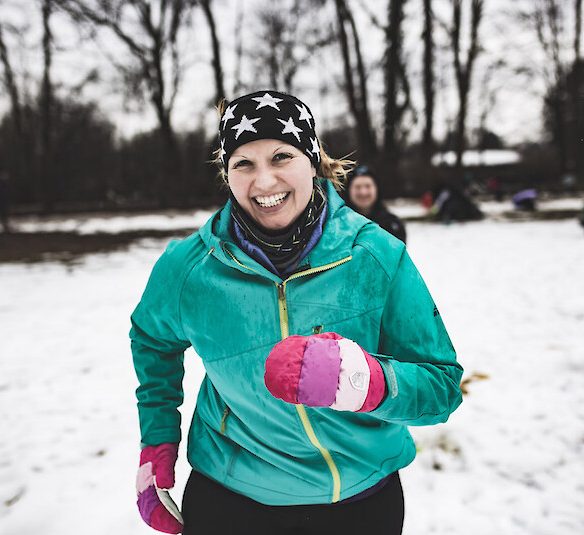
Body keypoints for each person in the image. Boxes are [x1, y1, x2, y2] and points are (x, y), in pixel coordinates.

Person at [130, 90, 463, 535]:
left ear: (312, 159)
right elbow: (153, 339)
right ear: (226, 174)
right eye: (243, 164)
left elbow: (442, 387)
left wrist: (364, 382)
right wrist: (157, 440)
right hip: (231, 500)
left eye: (281, 157)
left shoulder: (376, 256)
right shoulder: (189, 269)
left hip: (359, 502)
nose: (264, 182)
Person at [344, 163, 407, 243]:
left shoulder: (393, 226)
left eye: (368, 186)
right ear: (349, 191)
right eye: (357, 187)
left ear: (376, 189)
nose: (363, 192)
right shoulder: (340, 226)